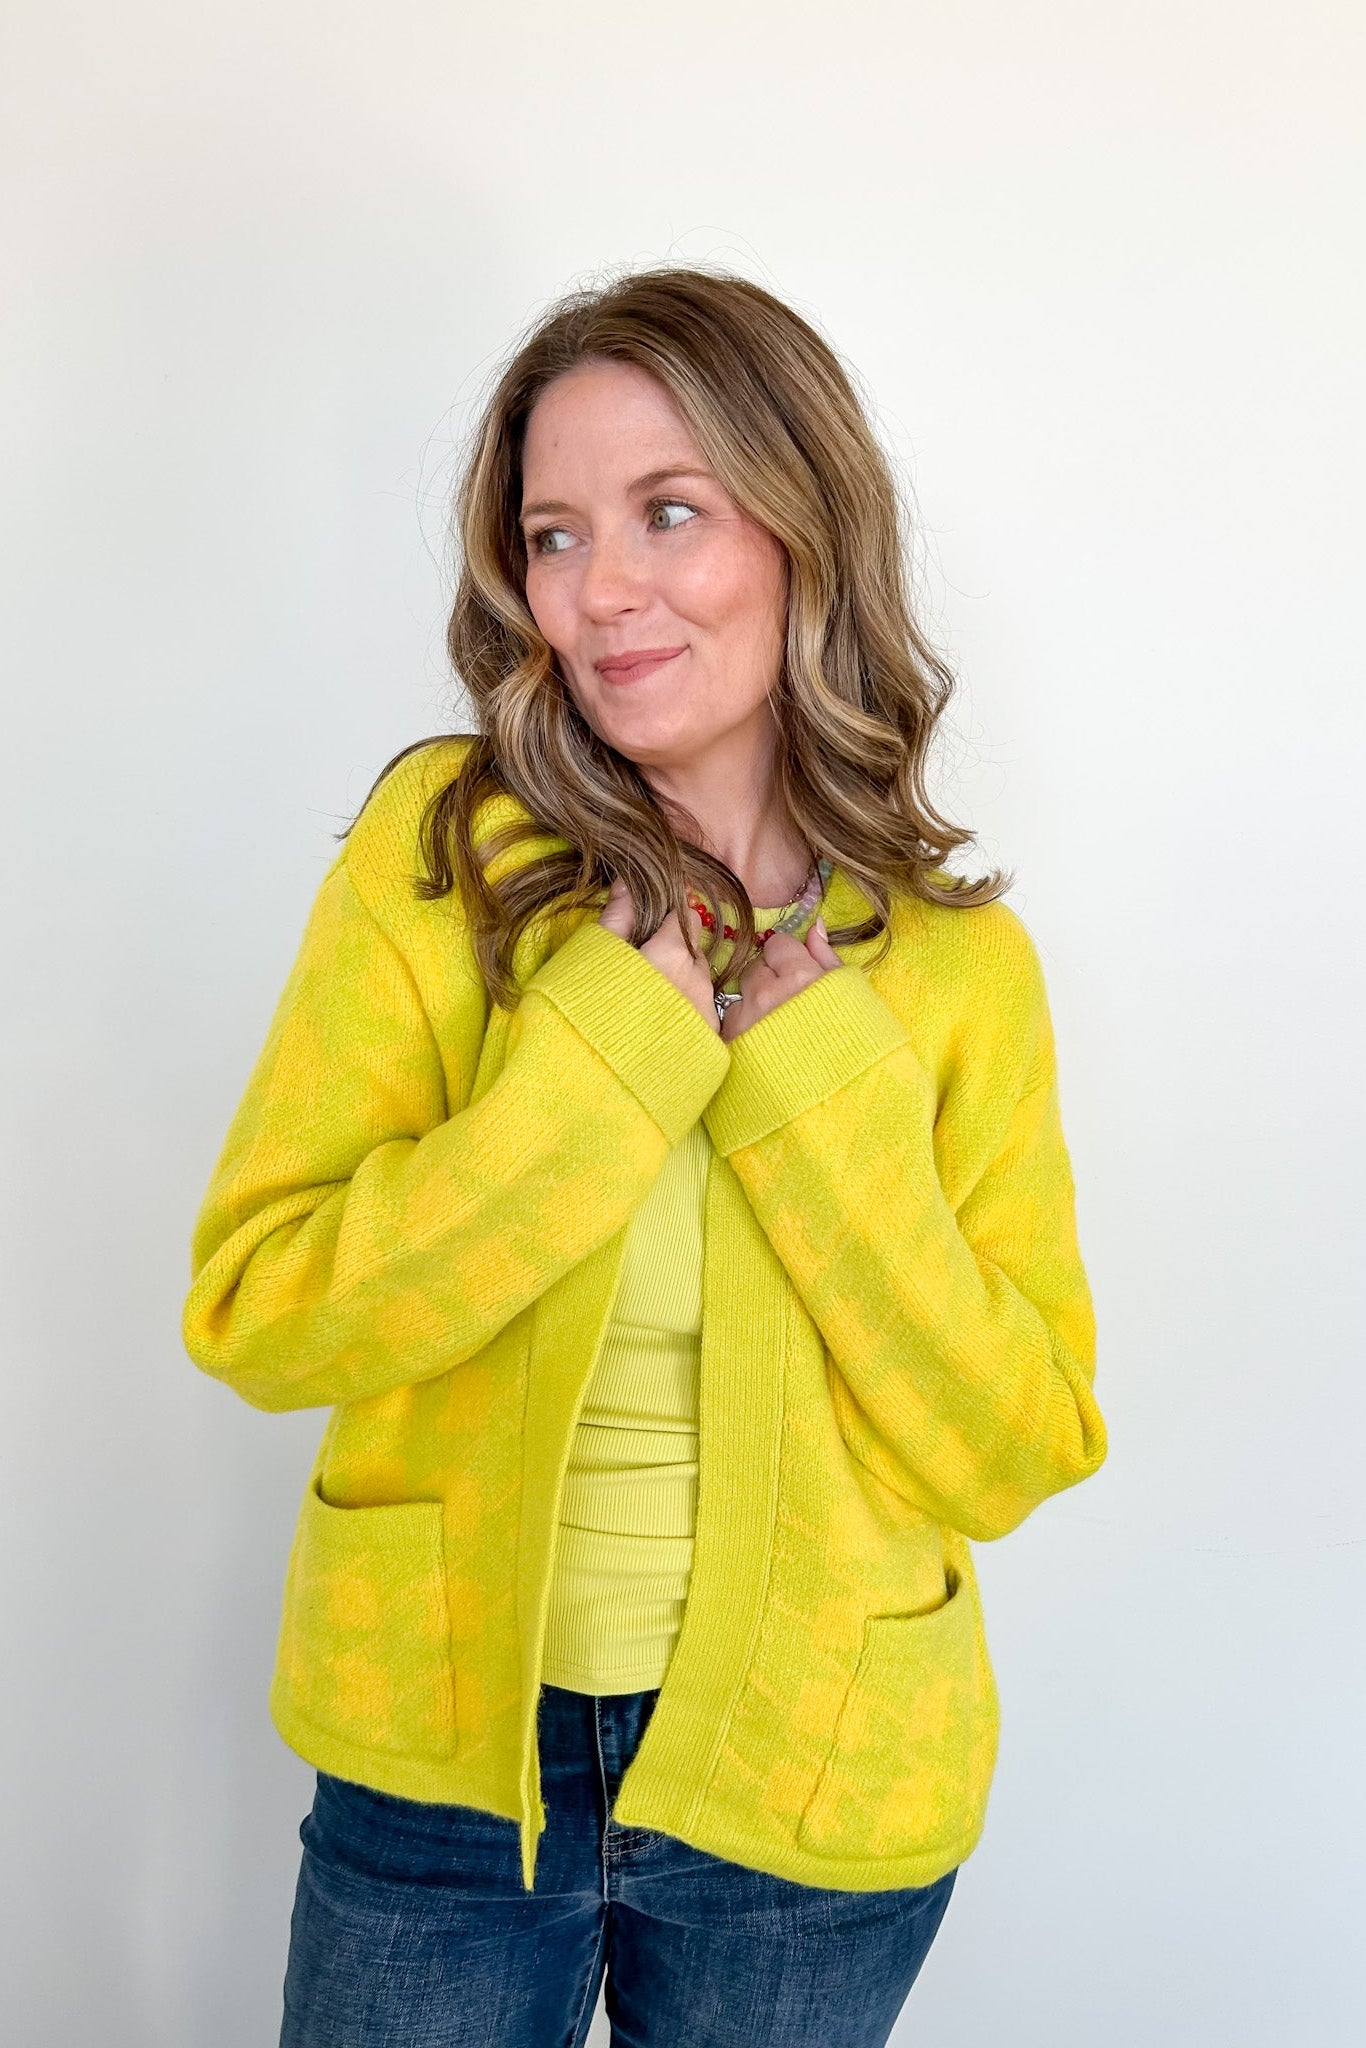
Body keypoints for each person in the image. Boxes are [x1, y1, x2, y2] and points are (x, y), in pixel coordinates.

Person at [182, 265, 1107, 2048]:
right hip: (445, 1765)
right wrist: (604, 1067)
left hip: (817, 1766)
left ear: (802, 525)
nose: (598, 589)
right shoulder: (440, 862)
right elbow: (261, 1313)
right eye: (552, 535)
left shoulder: (952, 969)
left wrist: (809, 1087)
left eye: (667, 511)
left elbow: (1014, 1446)